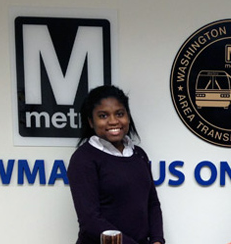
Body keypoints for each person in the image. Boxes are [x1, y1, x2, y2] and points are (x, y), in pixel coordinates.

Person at [67, 85, 164, 244]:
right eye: (103, 116)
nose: (113, 121)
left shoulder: (139, 154)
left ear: (128, 117)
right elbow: (90, 221)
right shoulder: (83, 159)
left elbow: (152, 203)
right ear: (91, 122)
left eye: (119, 114)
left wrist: (157, 240)